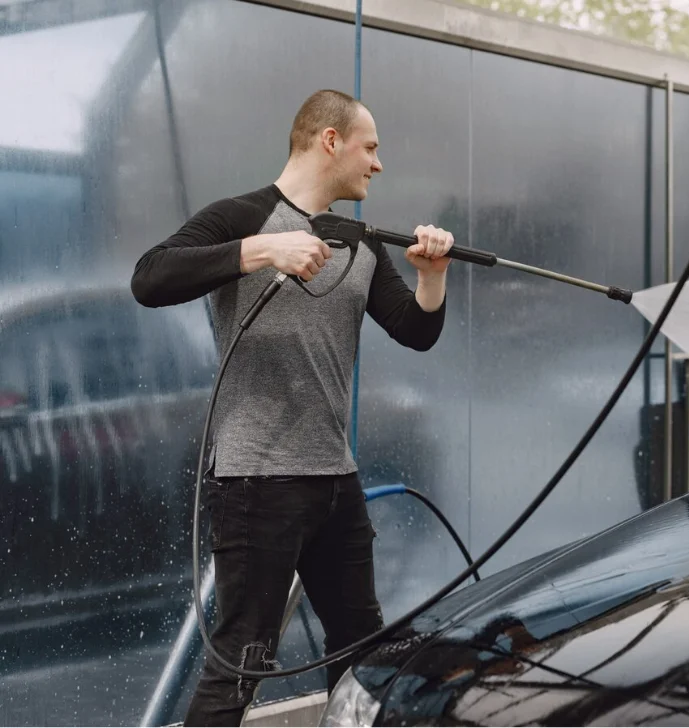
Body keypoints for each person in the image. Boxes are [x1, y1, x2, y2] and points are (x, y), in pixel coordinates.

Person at [130, 88, 455, 726]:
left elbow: (415, 331)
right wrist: (264, 250)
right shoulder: (241, 217)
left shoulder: (360, 241)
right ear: (330, 141)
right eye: (371, 147)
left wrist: (432, 274)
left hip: (335, 478)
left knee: (363, 650)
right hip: (257, 482)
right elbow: (150, 277)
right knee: (242, 661)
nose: (379, 164)